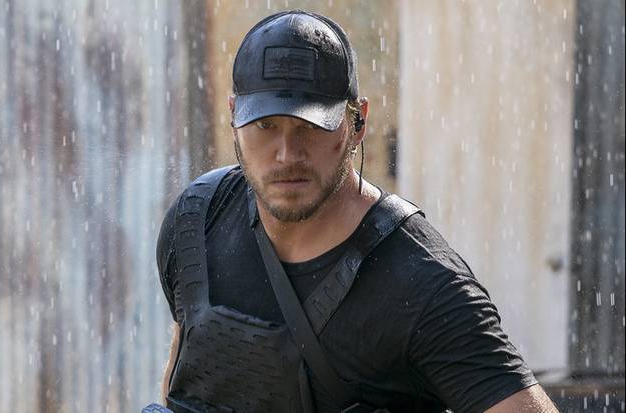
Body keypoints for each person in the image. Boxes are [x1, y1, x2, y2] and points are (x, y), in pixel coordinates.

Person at [156, 10, 557, 413]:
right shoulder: (197, 222)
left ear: (358, 122)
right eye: (266, 126)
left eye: (311, 126)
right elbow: (187, 377)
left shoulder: (422, 284)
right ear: (233, 117)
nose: (287, 154)